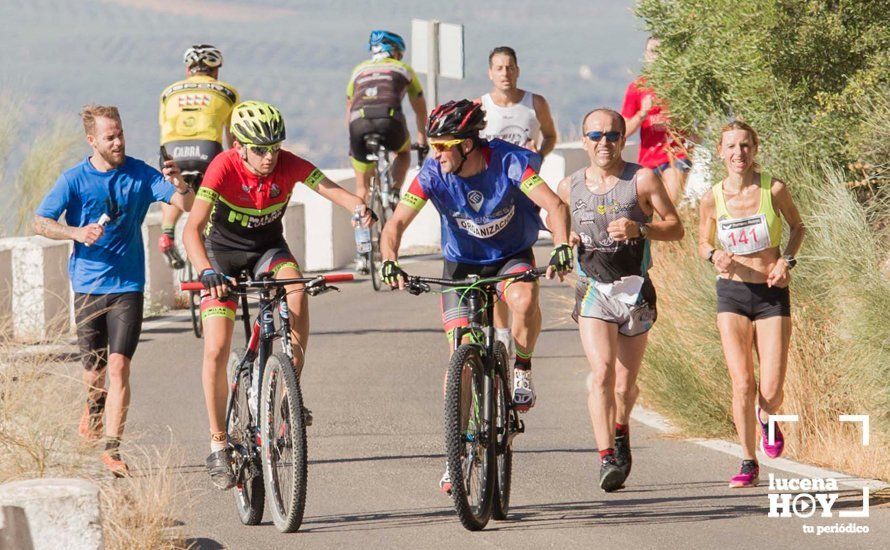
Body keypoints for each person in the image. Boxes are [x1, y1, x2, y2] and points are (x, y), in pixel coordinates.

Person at [379, 99, 572, 492]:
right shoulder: (433, 172)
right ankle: (458, 451)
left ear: (467, 144)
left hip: (509, 256)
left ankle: (522, 369)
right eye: (432, 145)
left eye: (442, 145)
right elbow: (396, 222)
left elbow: (554, 205)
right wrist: (388, 260)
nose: (435, 154)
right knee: (459, 364)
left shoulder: (510, 162)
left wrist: (563, 245)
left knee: (522, 300)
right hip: (461, 266)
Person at [182, 100, 373, 490]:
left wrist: (359, 206)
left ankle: (289, 390)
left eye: (274, 148)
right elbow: (192, 229)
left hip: (268, 250)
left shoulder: (288, 163)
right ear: (239, 146)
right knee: (216, 348)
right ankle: (218, 442)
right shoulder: (223, 166)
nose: (269, 158)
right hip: (222, 257)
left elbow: (332, 190)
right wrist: (206, 271)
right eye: (260, 150)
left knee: (298, 292)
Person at [33, 105, 194, 476]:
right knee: (95, 374)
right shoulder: (73, 180)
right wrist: (76, 232)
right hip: (88, 286)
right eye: (110, 137)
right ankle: (92, 408)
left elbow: (184, 205)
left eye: (120, 133)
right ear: (92, 141)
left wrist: (181, 183)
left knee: (120, 367)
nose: (119, 141)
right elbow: (41, 221)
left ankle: (112, 448)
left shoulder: (139, 173)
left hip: (128, 286)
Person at [557, 108, 683, 492]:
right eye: (595, 136)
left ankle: (621, 427)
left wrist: (639, 228)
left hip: (635, 290)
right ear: (584, 141)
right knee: (602, 374)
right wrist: (565, 241)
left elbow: (675, 227)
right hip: (594, 289)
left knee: (625, 386)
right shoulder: (570, 185)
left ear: (623, 138)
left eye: (612, 135)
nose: (604, 143)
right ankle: (607, 457)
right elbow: (556, 215)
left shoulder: (642, 179)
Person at [698, 121, 805, 488]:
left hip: (771, 292)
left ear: (755, 149)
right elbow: (702, 243)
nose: (738, 153)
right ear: (720, 152)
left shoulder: (773, 189)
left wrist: (785, 262)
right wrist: (714, 255)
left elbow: (799, 228)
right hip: (732, 294)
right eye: (731, 146)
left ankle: (767, 417)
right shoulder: (711, 198)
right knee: (742, 382)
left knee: (771, 390)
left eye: (745, 146)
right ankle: (747, 460)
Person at [477, 46, 558, 358]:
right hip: (491, 195)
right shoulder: (480, 106)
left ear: (518, 70)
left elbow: (550, 135)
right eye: (498, 68)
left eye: (510, 67)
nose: (505, 74)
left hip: (525, 192)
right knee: (493, 257)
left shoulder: (534, 103)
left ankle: (516, 325)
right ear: (490, 73)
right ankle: (500, 331)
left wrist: (538, 154)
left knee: (515, 250)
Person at [157, 44, 239, 269]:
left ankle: (167, 233)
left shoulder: (168, 92)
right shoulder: (228, 92)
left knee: (174, 187)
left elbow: (164, 128)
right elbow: (233, 138)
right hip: (207, 148)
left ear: (188, 70)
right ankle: (213, 237)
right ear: (216, 71)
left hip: (172, 148)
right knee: (212, 194)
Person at [346, 30, 428, 205]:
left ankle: (363, 229)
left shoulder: (358, 70)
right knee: (403, 153)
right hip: (389, 121)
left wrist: (353, 142)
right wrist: (422, 141)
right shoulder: (403, 69)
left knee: (361, 189)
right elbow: (420, 109)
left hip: (358, 124)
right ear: (395, 52)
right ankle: (394, 193)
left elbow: (349, 109)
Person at [621, 37, 692, 204]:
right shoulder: (637, 87)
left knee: (671, 203)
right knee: (648, 208)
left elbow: (698, 120)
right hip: (649, 158)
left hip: (676, 154)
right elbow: (624, 130)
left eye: (662, 52)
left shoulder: (681, 86)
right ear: (646, 55)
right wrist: (643, 112)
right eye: (653, 51)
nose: (657, 56)